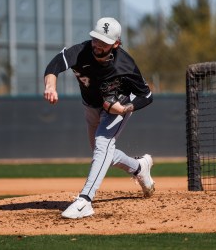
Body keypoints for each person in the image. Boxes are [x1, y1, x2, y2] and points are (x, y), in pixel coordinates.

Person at [43, 17, 155, 219]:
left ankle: (85, 200)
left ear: (116, 44)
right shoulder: (81, 52)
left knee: (103, 144)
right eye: (96, 39)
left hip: (116, 108)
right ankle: (139, 167)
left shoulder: (125, 65)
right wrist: (50, 86)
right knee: (101, 154)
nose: (97, 45)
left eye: (104, 42)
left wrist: (124, 108)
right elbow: (55, 65)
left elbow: (146, 95)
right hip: (91, 107)